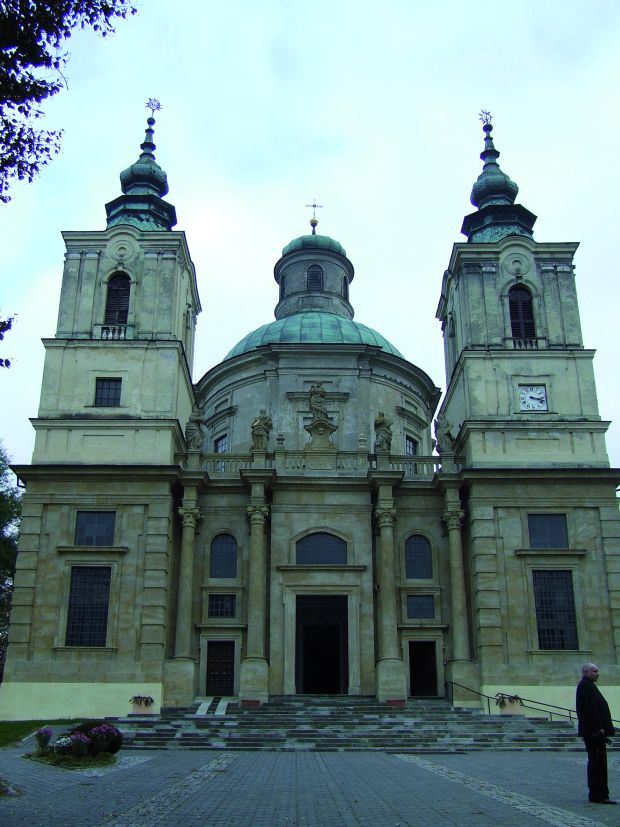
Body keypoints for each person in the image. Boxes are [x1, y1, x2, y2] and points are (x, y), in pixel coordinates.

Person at [576, 662, 616, 804]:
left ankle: (599, 793)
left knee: (598, 763)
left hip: (594, 732)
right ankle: (598, 795)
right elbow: (592, 709)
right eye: (594, 671)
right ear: (585, 672)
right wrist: (599, 728)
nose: (597, 674)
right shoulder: (586, 686)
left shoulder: (588, 685)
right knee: (597, 764)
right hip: (595, 733)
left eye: (597, 671)